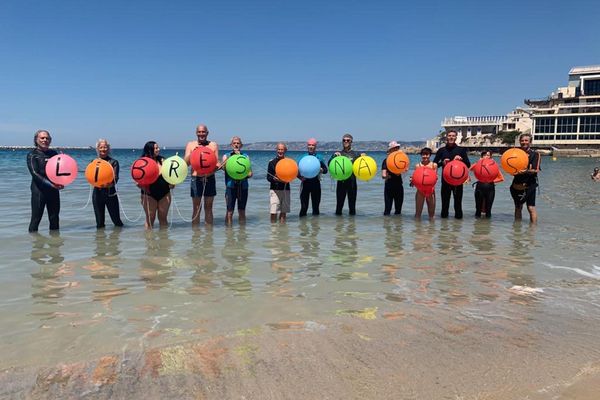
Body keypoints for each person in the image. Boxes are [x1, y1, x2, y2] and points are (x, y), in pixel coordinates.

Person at [27, 130, 63, 232]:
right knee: (36, 219)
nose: (45, 140)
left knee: (54, 219)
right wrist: (52, 184)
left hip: (53, 191)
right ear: (36, 140)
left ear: (50, 140)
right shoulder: (32, 155)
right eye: (42, 138)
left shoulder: (54, 153)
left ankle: (55, 245)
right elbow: (34, 173)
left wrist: (62, 182)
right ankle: (35, 246)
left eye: (47, 138)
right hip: (39, 191)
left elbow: (60, 171)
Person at [184, 124, 219, 226]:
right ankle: (196, 235)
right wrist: (193, 153)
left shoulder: (213, 145)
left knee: (209, 207)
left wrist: (214, 169)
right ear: (196, 133)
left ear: (207, 133)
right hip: (196, 179)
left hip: (210, 178)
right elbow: (185, 163)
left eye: (203, 132)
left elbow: (216, 163)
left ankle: (209, 236)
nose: (201, 134)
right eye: (199, 132)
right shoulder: (190, 144)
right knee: (196, 207)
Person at [433, 130, 471, 219]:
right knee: (444, 206)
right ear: (446, 137)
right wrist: (442, 163)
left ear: (456, 137)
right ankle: (444, 230)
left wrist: (461, 160)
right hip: (445, 181)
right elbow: (434, 164)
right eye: (449, 135)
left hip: (458, 182)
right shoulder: (441, 150)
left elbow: (468, 165)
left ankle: (457, 230)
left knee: (458, 205)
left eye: (453, 136)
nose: (451, 137)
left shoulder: (461, 150)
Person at [92, 139, 124, 229]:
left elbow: (115, 179)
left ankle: (117, 241)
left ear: (109, 148)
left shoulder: (114, 162)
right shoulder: (93, 162)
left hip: (111, 195)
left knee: (117, 221)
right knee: (99, 223)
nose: (103, 149)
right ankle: (100, 242)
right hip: (97, 195)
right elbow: (90, 176)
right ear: (98, 149)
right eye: (101, 147)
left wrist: (108, 185)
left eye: (105, 147)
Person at [510, 133, 541, 223]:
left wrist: (525, 171)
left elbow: (536, 170)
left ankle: (532, 232)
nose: (524, 142)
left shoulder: (535, 154)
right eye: (522, 140)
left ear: (530, 142)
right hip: (516, 184)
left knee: (531, 208)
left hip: (530, 185)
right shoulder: (515, 154)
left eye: (526, 140)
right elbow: (511, 168)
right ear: (519, 142)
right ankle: (517, 231)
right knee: (518, 207)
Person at [139, 141, 171, 229]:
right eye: (156, 148)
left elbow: (170, 175)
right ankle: (149, 242)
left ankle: (164, 240)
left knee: (163, 219)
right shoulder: (142, 162)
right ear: (150, 149)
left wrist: (172, 183)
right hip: (149, 194)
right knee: (150, 219)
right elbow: (137, 180)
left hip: (164, 193)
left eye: (158, 147)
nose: (158, 149)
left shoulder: (162, 160)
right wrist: (142, 187)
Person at [221, 136, 253, 225]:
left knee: (242, 211)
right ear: (231, 145)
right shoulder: (226, 156)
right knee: (229, 212)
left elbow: (250, 173)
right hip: (230, 186)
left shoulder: (245, 156)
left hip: (243, 186)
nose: (236, 145)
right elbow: (223, 168)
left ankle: (242, 233)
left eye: (238, 143)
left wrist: (243, 176)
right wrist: (231, 157)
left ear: (241, 145)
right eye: (234, 143)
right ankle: (228, 233)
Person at [329, 133, 360, 215]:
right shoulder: (338, 154)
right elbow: (329, 164)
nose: (346, 141)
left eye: (348, 140)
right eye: (344, 140)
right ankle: (338, 226)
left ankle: (352, 227)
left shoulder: (356, 154)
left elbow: (362, 166)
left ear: (351, 142)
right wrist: (333, 157)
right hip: (341, 183)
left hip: (352, 183)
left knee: (352, 208)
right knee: (339, 207)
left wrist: (364, 157)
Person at [299, 138, 328, 217]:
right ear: (307, 146)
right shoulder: (303, 157)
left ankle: (315, 227)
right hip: (305, 184)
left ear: (315, 147)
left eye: (313, 145)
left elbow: (326, 170)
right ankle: (303, 227)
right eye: (309, 145)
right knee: (304, 208)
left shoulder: (319, 157)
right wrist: (300, 177)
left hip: (316, 184)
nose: (311, 146)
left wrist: (321, 170)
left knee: (316, 208)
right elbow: (296, 170)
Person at [471, 150, 504, 218]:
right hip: (479, 187)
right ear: (482, 156)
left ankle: (488, 227)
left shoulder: (493, 166)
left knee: (488, 209)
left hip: (490, 188)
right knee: (478, 209)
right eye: (484, 155)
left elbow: (501, 178)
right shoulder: (478, 164)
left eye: (488, 155)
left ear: (491, 157)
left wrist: (490, 180)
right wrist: (478, 162)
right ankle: (477, 226)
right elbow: (470, 169)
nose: (486, 157)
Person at [410, 147, 437, 219]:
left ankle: (432, 230)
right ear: (421, 155)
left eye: (427, 154)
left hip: (431, 191)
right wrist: (412, 181)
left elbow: (435, 178)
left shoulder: (434, 165)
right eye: (423, 154)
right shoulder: (417, 165)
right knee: (418, 214)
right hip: (420, 191)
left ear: (430, 155)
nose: (425, 156)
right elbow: (415, 178)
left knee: (432, 215)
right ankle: (418, 229)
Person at [267, 143, 290, 223]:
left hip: (286, 189)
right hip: (274, 190)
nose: (280, 151)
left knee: (283, 212)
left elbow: (292, 175)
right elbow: (268, 178)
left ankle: (282, 232)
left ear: (285, 150)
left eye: (282, 149)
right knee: (273, 212)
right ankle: (273, 230)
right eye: (279, 149)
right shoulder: (271, 162)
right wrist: (274, 178)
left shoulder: (288, 163)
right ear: (276, 150)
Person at [381, 141, 404, 215]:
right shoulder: (386, 161)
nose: (396, 149)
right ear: (390, 150)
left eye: (397, 148)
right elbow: (383, 175)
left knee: (398, 211)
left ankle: (398, 226)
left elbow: (404, 170)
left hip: (399, 186)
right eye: (395, 148)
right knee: (387, 211)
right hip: (389, 187)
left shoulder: (400, 160)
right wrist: (388, 176)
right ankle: (387, 226)